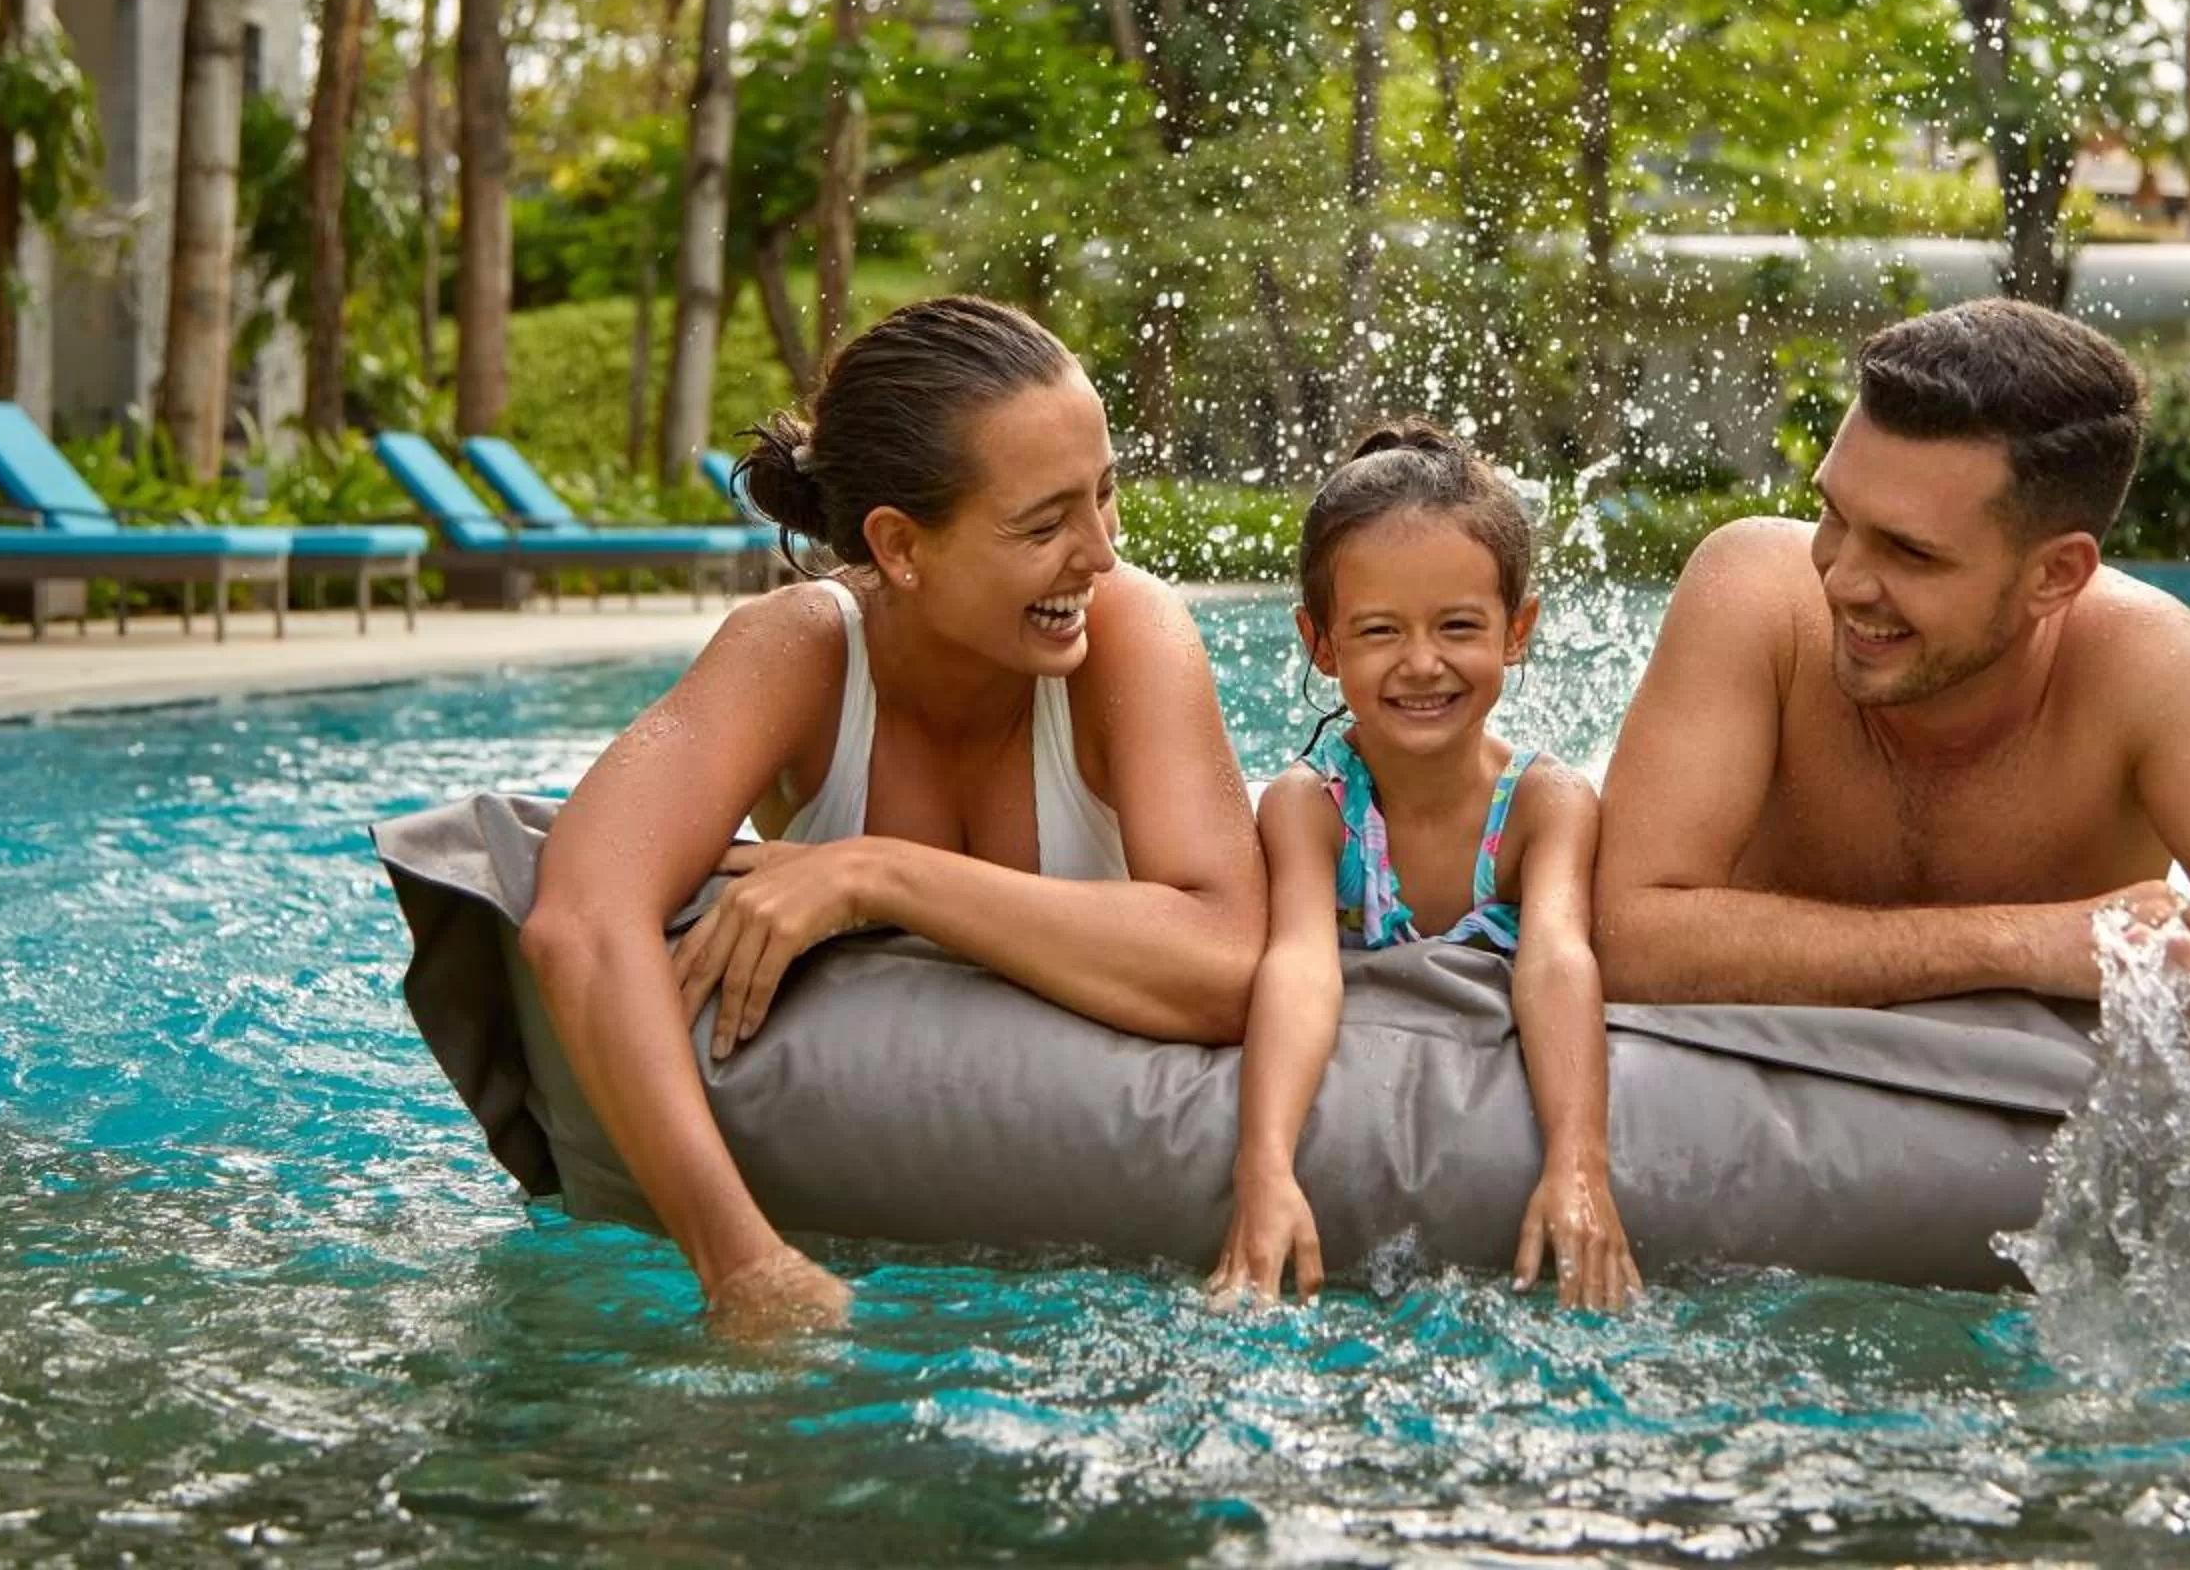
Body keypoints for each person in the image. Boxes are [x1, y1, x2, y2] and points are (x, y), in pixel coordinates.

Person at [521, 297, 1268, 1338]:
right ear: (901, 546)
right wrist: (739, 1261)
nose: (1100, 552)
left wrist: (876, 875)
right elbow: (580, 921)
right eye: (1045, 522)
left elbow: (1231, 959)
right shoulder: (798, 653)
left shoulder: (1128, 631)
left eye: (1107, 496)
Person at [1593, 299, 2190, 1114]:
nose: (1840, 579)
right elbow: (1630, 936)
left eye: (1910, 552)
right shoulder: (1752, 594)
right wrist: (2036, 943)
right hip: (1730, 1105)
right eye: (1835, 514)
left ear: (2055, 574)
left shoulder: (2154, 672)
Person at [1208, 424, 1639, 1311]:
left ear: (1517, 630)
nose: (1422, 663)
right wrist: (1265, 1166)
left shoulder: (1543, 804)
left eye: (1458, 627)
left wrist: (1578, 1162)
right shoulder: (1310, 805)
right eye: (1378, 631)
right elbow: (1297, 962)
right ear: (1320, 644)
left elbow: (1559, 957)